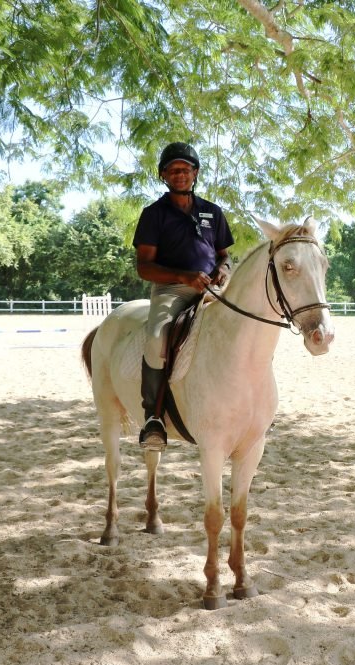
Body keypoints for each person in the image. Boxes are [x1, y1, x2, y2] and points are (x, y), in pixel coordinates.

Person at [132, 142, 235, 449]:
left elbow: (225, 256)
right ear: (163, 175)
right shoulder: (153, 214)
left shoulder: (213, 212)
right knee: (156, 337)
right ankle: (153, 416)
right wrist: (182, 276)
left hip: (212, 290)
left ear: (195, 173)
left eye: (185, 169)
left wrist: (225, 271)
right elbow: (144, 267)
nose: (180, 175)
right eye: (173, 170)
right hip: (172, 291)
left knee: (247, 326)